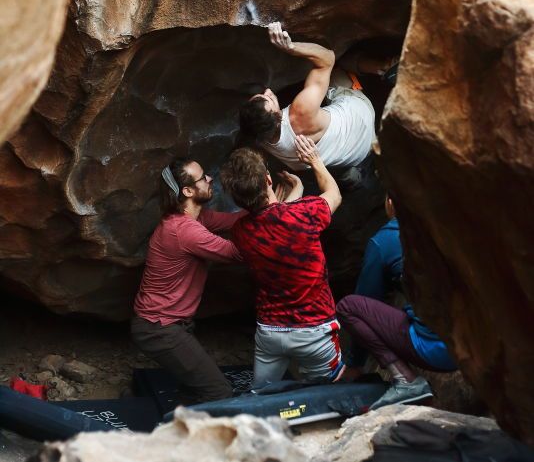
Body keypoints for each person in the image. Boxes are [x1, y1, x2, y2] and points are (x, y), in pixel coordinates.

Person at [220, 135, 345, 389]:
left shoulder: (240, 231)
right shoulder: (304, 213)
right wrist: (315, 160)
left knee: (262, 395)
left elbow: (271, 224)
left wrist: (288, 200)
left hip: (271, 333)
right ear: (268, 179)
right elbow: (334, 194)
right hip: (315, 331)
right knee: (326, 390)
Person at [131, 158, 244, 403]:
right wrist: (279, 219)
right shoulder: (184, 230)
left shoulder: (198, 218)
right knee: (219, 391)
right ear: (188, 191)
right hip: (159, 329)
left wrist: (269, 206)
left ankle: (177, 426)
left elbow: (237, 221)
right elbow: (239, 253)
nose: (210, 179)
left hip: (170, 325)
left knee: (196, 388)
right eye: (203, 178)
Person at [336, 195, 457, 410]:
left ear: (390, 202)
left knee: (349, 306)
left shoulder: (385, 240)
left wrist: (355, 363)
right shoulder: (451, 226)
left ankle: (405, 380)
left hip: (435, 350)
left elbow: (366, 298)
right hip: (475, 344)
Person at [238, 22, 384, 181]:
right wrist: (291, 47)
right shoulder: (300, 111)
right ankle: (384, 66)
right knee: (339, 66)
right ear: (277, 117)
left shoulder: (259, 136)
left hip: (353, 156)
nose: (268, 91)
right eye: (269, 99)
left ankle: (351, 179)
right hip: (362, 121)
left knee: (335, 166)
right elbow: (328, 58)